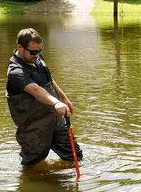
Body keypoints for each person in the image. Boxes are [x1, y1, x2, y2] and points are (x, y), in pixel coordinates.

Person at [6, 28, 83, 166]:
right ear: (20, 48)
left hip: (56, 121)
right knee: (32, 166)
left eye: (40, 51)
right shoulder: (15, 71)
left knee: (75, 157)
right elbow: (36, 90)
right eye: (33, 52)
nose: (37, 55)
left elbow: (49, 80)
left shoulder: (37, 57)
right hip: (35, 129)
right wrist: (56, 103)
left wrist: (63, 97)